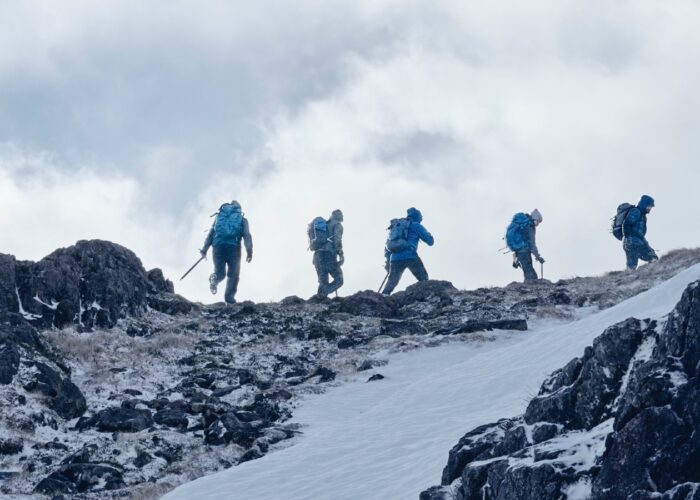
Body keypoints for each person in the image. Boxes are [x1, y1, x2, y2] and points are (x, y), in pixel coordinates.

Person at [201, 200, 253, 304]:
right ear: (239, 209)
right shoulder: (242, 219)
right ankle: (229, 299)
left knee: (220, 273)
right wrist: (249, 251)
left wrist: (204, 249)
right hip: (234, 248)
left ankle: (215, 278)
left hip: (218, 246)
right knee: (233, 274)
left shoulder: (219, 217)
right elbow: (247, 235)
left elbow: (211, 233)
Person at [381, 207, 434, 295]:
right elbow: (430, 241)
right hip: (410, 256)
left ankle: (382, 299)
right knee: (424, 279)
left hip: (394, 259)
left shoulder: (397, 226)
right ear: (418, 217)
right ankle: (427, 298)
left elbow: (388, 246)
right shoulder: (415, 225)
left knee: (391, 284)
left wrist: (388, 263)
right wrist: (429, 235)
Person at [312, 209, 345, 298]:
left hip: (317, 256)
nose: (343, 216)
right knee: (339, 279)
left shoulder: (324, 225)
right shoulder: (337, 225)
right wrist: (340, 253)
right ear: (337, 216)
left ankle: (319, 299)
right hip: (328, 255)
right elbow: (337, 240)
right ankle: (322, 295)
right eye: (341, 214)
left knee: (323, 282)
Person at [506, 209, 544, 282]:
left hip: (520, 251)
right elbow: (532, 244)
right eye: (539, 221)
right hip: (524, 251)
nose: (538, 224)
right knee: (531, 275)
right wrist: (538, 257)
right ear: (535, 219)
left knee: (528, 272)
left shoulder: (523, 224)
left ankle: (528, 289)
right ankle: (529, 290)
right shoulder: (529, 226)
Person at [622, 195, 658, 270]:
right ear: (645, 204)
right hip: (632, 242)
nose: (650, 208)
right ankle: (629, 278)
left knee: (653, 258)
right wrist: (628, 239)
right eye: (649, 206)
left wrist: (647, 245)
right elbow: (626, 224)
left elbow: (641, 235)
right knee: (633, 265)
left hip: (638, 242)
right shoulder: (636, 211)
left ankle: (645, 275)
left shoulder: (643, 216)